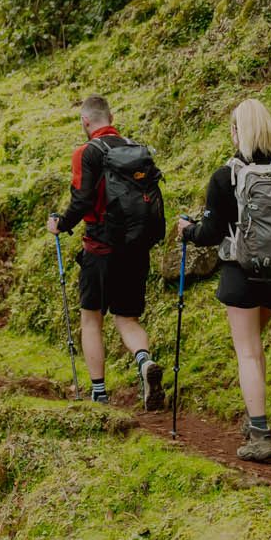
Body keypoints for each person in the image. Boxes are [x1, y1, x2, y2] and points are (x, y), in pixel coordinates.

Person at [176, 98, 271, 462]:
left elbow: (209, 233)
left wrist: (188, 231)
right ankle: (254, 418)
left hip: (241, 276)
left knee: (248, 352)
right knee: (255, 349)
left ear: (237, 131)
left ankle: (260, 434)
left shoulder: (226, 176)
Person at [46, 95, 165, 409]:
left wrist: (61, 223)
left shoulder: (85, 152)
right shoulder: (135, 150)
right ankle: (144, 362)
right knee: (127, 318)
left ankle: (99, 393)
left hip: (100, 248)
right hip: (136, 247)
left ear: (85, 121)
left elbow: (83, 200)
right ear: (110, 117)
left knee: (91, 320)